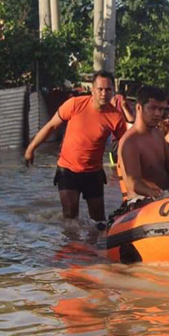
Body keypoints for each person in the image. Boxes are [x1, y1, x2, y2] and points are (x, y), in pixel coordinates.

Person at [24, 71, 126, 223]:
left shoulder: (116, 117)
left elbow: (124, 145)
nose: (104, 93)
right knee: (70, 217)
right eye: (100, 89)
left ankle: (94, 246)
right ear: (92, 89)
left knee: (99, 220)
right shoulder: (75, 104)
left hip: (94, 172)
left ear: (113, 91)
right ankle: (71, 246)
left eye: (108, 89)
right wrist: (31, 149)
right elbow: (51, 127)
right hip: (68, 170)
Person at [118, 86, 169, 199]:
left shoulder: (158, 134)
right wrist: (157, 194)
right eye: (153, 108)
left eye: (161, 109)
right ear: (139, 108)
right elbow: (134, 183)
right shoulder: (130, 142)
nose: (158, 114)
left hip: (166, 198)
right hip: (142, 204)